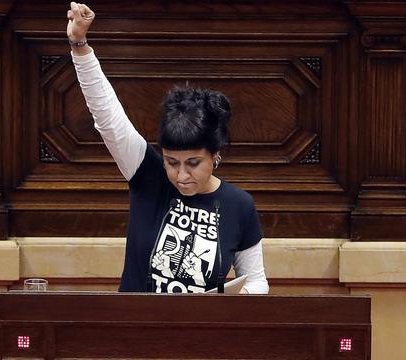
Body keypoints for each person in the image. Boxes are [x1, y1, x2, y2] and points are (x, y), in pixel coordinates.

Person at [66, 2, 269, 294]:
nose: (182, 175)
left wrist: (239, 299)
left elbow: (258, 280)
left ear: (216, 156)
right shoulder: (147, 173)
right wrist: (79, 45)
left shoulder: (239, 205)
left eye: (193, 163)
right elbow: (108, 118)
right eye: (172, 162)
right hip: (134, 331)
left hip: (203, 335)